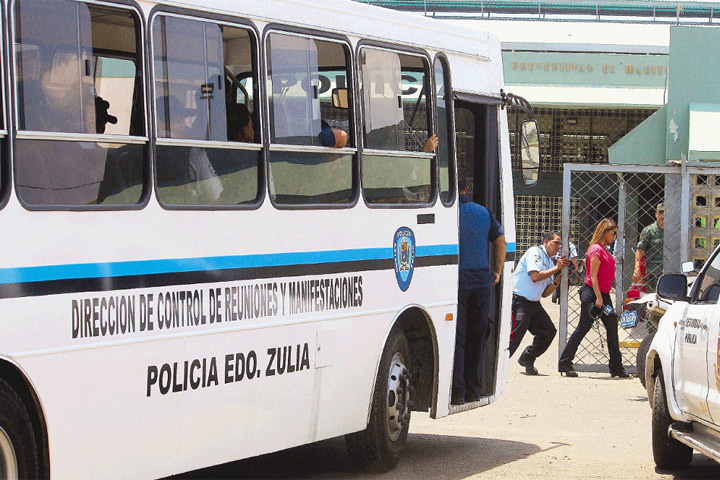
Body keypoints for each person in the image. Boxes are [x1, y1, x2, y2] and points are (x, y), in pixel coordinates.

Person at [452, 176, 506, 405]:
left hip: (457, 282)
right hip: (482, 281)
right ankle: (474, 389)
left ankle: (457, 391)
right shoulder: (484, 213)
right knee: (477, 337)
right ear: (467, 188)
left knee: (458, 338)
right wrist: (497, 272)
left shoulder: (448, 213)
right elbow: (501, 241)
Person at [558, 218, 629, 378]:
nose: (614, 236)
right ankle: (565, 363)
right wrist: (598, 298)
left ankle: (617, 368)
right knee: (583, 327)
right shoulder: (596, 250)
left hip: (602, 294)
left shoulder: (603, 249)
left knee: (612, 327)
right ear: (605, 232)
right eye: (613, 233)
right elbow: (593, 276)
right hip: (593, 293)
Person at [510, 232, 570, 375]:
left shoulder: (550, 262)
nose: (558, 246)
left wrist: (555, 283)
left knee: (548, 331)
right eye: (555, 242)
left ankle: (527, 358)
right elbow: (535, 277)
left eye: (559, 244)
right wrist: (556, 268)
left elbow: (544, 293)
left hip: (534, 303)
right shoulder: (535, 252)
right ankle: (497, 366)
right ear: (546, 242)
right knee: (515, 335)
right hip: (520, 300)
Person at [633, 203, 665, 292]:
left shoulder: (674, 231)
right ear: (656, 214)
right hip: (653, 272)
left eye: (665, 213)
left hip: (670, 271)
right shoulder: (649, 231)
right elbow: (640, 250)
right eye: (660, 213)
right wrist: (637, 268)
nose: (662, 216)